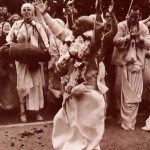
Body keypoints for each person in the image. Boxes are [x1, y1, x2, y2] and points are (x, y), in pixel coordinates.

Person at [35, 0, 106, 149]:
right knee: (68, 124)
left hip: (89, 94)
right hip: (72, 91)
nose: (74, 25)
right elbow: (57, 30)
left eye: (78, 24)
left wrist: (99, 14)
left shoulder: (92, 45)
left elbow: (99, 32)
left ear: (87, 29)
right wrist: (45, 14)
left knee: (87, 129)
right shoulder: (70, 39)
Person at [6, 3, 50, 123]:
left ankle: (36, 112)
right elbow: (8, 39)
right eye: (24, 10)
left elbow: (46, 41)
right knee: (23, 86)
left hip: (35, 59)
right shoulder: (16, 24)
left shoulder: (37, 26)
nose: (26, 12)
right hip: (21, 60)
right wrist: (16, 44)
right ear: (21, 12)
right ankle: (23, 112)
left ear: (32, 12)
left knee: (35, 85)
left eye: (29, 10)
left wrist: (45, 52)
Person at [112, 5, 150, 130]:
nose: (133, 19)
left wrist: (140, 39)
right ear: (129, 15)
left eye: (136, 17)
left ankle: (131, 120)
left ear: (139, 16)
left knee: (135, 92)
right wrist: (129, 38)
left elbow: (149, 44)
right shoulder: (122, 25)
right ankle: (122, 117)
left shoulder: (143, 28)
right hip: (123, 63)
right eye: (131, 17)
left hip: (137, 65)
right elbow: (115, 40)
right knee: (122, 91)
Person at [102, 0, 118, 117]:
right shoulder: (99, 30)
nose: (108, 18)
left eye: (110, 17)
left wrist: (112, 14)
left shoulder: (113, 30)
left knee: (111, 87)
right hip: (99, 63)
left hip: (111, 62)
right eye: (106, 16)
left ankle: (113, 111)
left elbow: (114, 30)